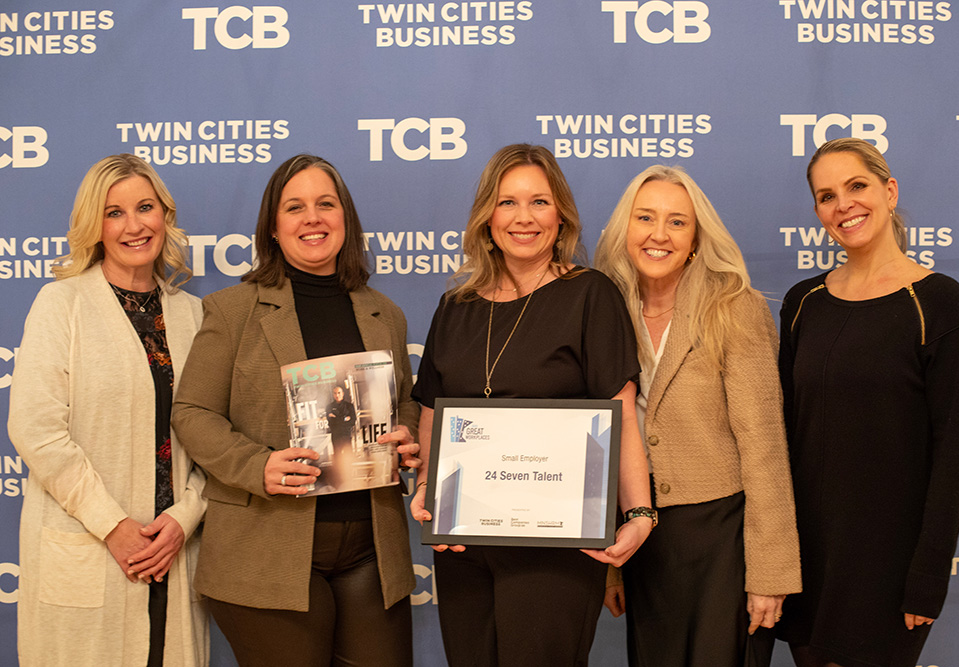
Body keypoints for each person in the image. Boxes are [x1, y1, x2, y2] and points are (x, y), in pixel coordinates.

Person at [409, 143, 654, 666]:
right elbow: (432, 417)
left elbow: (622, 418)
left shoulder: (590, 295)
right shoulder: (455, 307)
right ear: (487, 216)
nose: (524, 218)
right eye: (508, 202)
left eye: (539, 202)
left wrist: (639, 513)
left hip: (556, 549)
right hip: (464, 547)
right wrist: (428, 489)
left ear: (560, 215)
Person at [172, 154, 420, 667]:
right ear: (273, 226)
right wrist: (257, 465)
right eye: (295, 207)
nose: (313, 218)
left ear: (345, 218)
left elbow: (404, 403)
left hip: (372, 550)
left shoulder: (385, 314)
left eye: (326, 204)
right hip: (265, 549)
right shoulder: (233, 311)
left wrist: (406, 434)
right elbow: (192, 411)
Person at [777, 138, 959, 667]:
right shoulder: (804, 303)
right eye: (826, 196)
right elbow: (783, 439)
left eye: (857, 186)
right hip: (808, 558)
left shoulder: (939, 302)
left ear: (889, 192)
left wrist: (928, 575)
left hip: (889, 567)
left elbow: (954, 454)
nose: (843, 204)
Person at [594, 165, 801, 666]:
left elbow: (765, 448)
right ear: (625, 228)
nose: (659, 234)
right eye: (645, 217)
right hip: (642, 536)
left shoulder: (734, 308)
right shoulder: (605, 311)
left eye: (677, 222)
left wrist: (770, 573)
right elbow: (602, 443)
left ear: (695, 238)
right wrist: (611, 566)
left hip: (724, 538)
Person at [7, 154, 208, 666]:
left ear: (165, 213)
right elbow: (37, 430)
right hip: (90, 550)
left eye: (145, 207)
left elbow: (214, 433)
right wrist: (113, 525)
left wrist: (185, 517)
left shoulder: (193, 315)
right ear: (94, 226)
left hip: (173, 553)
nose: (134, 225)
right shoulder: (62, 304)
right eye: (114, 212)